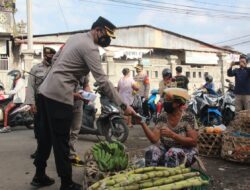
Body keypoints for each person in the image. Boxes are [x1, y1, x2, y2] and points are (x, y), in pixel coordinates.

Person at [31, 16, 136, 190]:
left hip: (44, 92)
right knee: (61, 141)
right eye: (106, 35)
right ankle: (66, 183)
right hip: (58, 97)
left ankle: (39, 175)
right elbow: (102, 81)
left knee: (45, 138)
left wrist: (65, 82)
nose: (107, 39)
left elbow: (56, 60)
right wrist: (124, 105)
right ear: (98, 30)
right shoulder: (91, 48)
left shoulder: (75, 37)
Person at [135, 88, 198, 167]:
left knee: (172, 153)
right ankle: (152, 175)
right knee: (151, 150)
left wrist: (173, 135)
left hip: (186, 150)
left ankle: (172, 176)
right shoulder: (163, 116)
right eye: (164, 100)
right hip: (166, 149)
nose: (164, 103)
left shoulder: (188, 118)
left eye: (168, 100)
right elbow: (154, 139)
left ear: (177, 103)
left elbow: (193, 142)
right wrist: (142, 123)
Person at [25, 47, 56, 158]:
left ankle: (58, 151)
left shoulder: (57, 68)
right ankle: (40, 150)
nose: (49, 58)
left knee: (55, 128)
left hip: (54, 101)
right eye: (47, 56)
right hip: (39, 101)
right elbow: (31, 87)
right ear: (44, 55)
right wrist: (32, 103)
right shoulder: (36, 68)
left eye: (51, 56)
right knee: (39, 128)